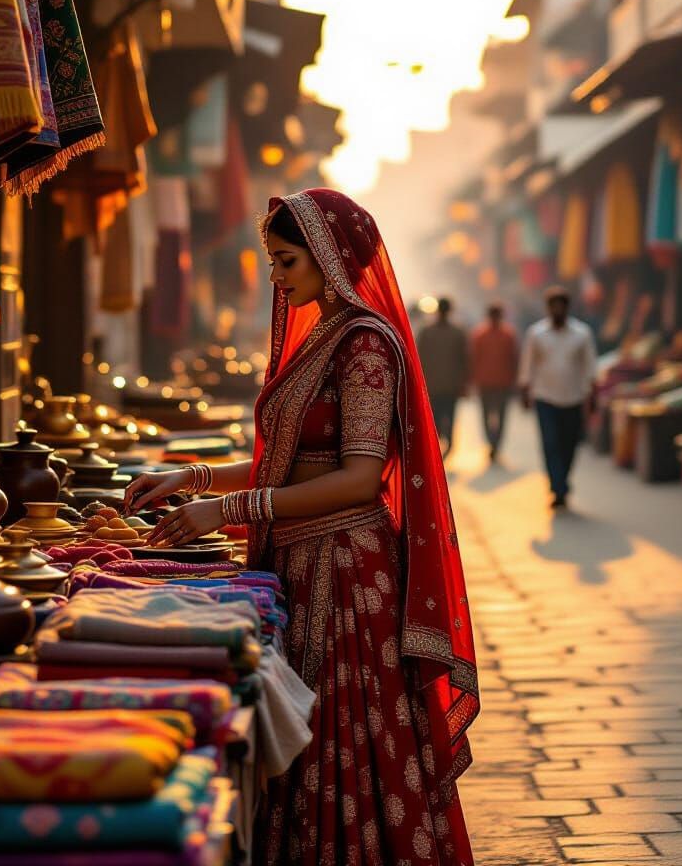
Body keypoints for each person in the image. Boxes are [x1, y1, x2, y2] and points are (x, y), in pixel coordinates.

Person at [124, 189, 479, 866]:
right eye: (272, 260)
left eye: (286, 260)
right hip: (302, 558)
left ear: (327, 255)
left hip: (345, 573)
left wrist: (228, 510)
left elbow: (357, 478)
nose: (276, 276)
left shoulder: (365, 346)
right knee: (309, 735)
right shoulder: (323, 335)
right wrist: (192, 478)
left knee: (342, 737)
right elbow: (281, 460)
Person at [519, 286, 597, 509]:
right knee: (550, 443)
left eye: (560, 306)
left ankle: (562, 480)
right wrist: (525, 389)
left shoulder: (581, 334)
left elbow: (590, 366)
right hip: (545, 397)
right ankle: (558, 487)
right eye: (553, 306)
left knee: (569, 444)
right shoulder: (537, 333)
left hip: (574, 397)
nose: (557, 310)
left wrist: (593, 394)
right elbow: (528, 364)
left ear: (567, 308)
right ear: (548, 309)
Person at [416, 296, 469, 455]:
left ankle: (439, 446)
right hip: (450, 386)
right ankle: (447, 446)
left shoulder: (426, 331)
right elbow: (464, 360)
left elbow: (418, 358)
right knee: (449, 417)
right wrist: (463, 383)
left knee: (436, 419)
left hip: (432, 385)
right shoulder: (458, 332)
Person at [469, 301, 518, 461]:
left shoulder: (506, 335)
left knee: (497, 415)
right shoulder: (481, 334)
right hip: (488, 382)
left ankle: (494, 443)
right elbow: (473, 358)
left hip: (500, 382)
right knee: (489, 415)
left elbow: (514, 358)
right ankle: (493, 442)